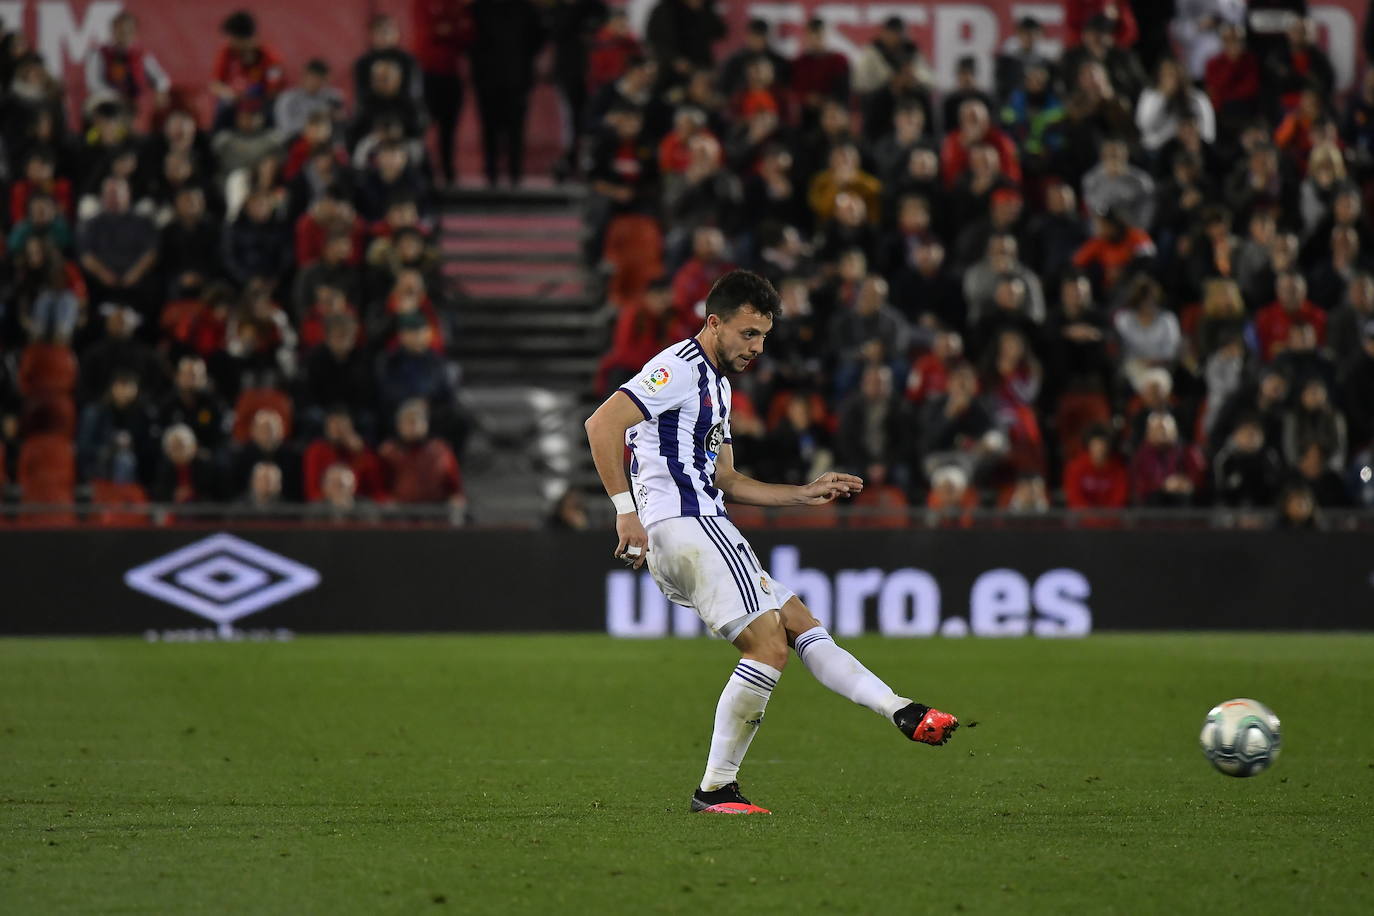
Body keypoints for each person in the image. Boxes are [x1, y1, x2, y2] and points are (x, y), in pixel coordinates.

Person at [583, 269, 960, 815]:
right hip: (686, 525)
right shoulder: (678, 369)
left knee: (799, 622)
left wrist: (803, 494)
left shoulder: (719, 385)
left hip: (699, 523)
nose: (757, 347)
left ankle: (902, 710)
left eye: (764, 336)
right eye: (748, 334)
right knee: (768, 646)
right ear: (714, 323)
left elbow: (728, 480)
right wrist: (626, 513)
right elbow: (601, 424)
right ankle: (715, 789)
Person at [470, 0, 545, 187]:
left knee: (515, 130)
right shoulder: (478, 8)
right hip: (488, 79)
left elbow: (539, 37)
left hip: (516, 79)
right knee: (490, 129)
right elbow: (468, 39)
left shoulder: (527, 8)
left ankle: (514, 174)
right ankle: (492, 174)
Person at [413, 0, 474, 187]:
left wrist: (450, 30)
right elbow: (430, 30)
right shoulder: (422, 3)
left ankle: (448, 171)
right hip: (428, 74)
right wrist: (449, 29)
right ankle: (422, 171)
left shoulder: (457, 5)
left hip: (452, 75)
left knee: (449, 127)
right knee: (422, 126)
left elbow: (468, 34)